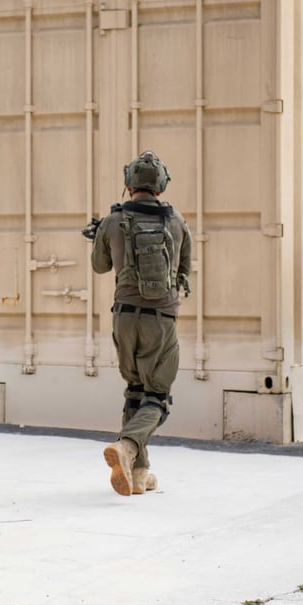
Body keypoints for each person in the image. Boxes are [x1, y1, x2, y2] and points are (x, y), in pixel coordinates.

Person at [88, 151, 192, 497]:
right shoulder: (176, 221)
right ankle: (128, 446)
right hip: (161, 319)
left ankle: (138, 472)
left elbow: (101, 267)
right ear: (161, 185)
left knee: (135, 392)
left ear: (129, 183)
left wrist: (100, 237)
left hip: (124, 317)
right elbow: (182, 270)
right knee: (157, 398)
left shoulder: (113, 220)